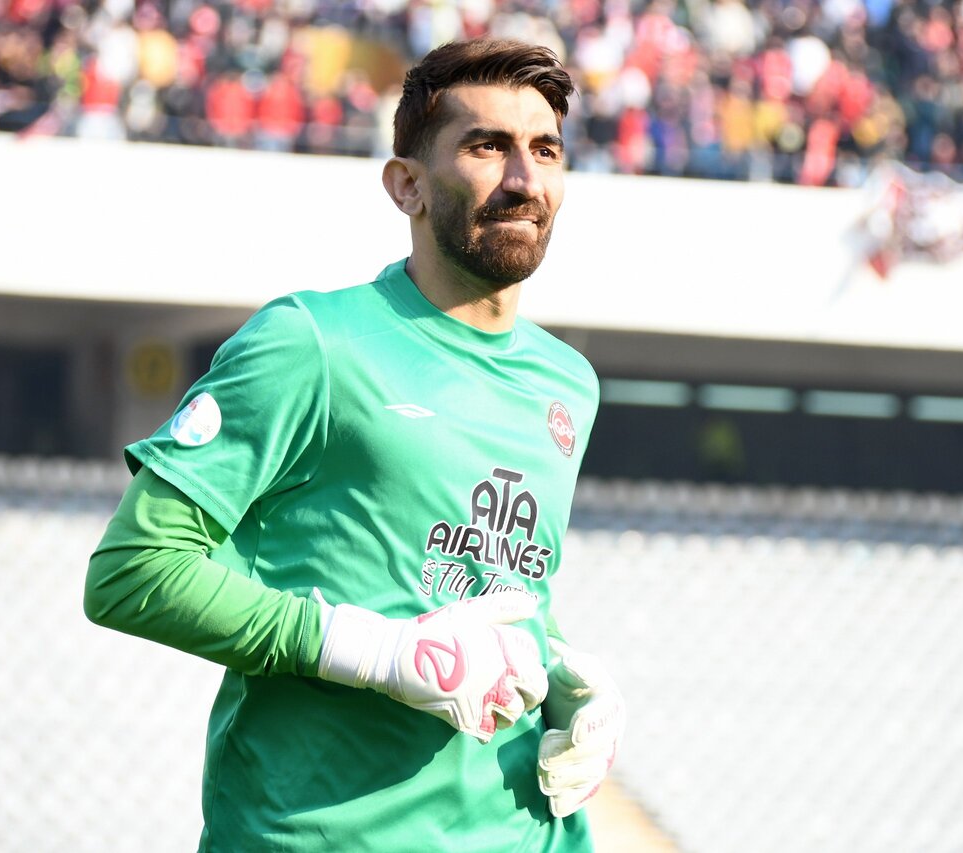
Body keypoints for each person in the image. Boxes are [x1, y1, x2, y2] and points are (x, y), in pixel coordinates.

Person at [84, 38, 625, 852]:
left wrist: (563, 678)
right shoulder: (313, 342)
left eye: (545, 150)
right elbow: (131, 571)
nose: (524, 179)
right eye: (487, 146)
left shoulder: (567, 383)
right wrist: (376, 651)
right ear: (407, 184)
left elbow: (477, 577)